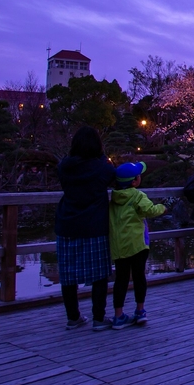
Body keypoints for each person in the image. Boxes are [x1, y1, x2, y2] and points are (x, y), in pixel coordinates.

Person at [55, 126, 116, 331]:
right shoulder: (103, 168)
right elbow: (113, 176)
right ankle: (99, 318)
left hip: (67, 222)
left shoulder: (64, 166)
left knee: (68, 274)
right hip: (94, 224)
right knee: (99, 275)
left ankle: (73, 317)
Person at [109, 161, 166, 329]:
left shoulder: (113, 198)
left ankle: (118, 315)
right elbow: (150, 210)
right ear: (134, 181)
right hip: (138, 244)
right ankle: (140, 310)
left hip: (119, 246)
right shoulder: (138, 196)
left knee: (121, 279)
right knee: (139, 276)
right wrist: (163, 207)